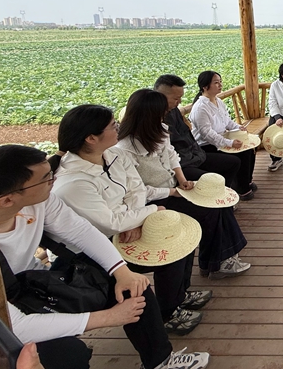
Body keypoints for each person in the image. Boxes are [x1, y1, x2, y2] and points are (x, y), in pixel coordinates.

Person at [0, 145, 210, 369]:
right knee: (70, 354)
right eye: (46, 178)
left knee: (133, 286)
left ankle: (161, 361)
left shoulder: (38, 201)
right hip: (7, 313)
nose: (54, 179)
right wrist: (110, 317)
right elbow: (14, 326)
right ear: (7, 201)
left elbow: (79, 230)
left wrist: (121, 271)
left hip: (34, 283)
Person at [50, 105, 207, 336]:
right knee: (168, 253)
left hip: (125, 226)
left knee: (178, 236)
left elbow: (137, 189)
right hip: (93, 249)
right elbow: (110, 223)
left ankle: (179, 296)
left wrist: (134, 221)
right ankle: (169, 312)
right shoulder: (73, 182)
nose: (118, 128)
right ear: (91, 138)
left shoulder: (114, 155)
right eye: (113, 125)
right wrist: (147, 212)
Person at [115, 89, 250, 280]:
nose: (164, 117)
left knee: (216, 199)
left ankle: (217, 260)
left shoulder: (158, 130)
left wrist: (182, 180)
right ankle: (216, 262)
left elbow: (171, 155)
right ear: (147, 116)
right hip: (153, 200)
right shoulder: (124, 150)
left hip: (172, 186)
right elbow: (136, 192)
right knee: (209, 211)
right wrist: (172, 192)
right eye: (161, 114)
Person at [153, 74, 245, 195]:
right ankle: (217, 196)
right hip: (182, 163)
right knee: (211, 181)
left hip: (195, 155)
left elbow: (226, 121)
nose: (180, 102)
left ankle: (224, 194)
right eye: (176, 98)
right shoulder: (155, 120)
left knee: (234, 162)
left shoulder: (173, 110)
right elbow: (171, 152)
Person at [189, 71, 256, 200]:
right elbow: (207, 134)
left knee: (248, 149)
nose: (220, 85)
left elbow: (227, 121)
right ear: (205, 86)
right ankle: (241, 188)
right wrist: (229, 143)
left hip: (223, 138)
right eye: (216, 82)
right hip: (207, 146)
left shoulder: (218, 101)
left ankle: (246, 181)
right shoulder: (200, 108)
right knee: (240, 155)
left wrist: (238, 127)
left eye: (220, 82)